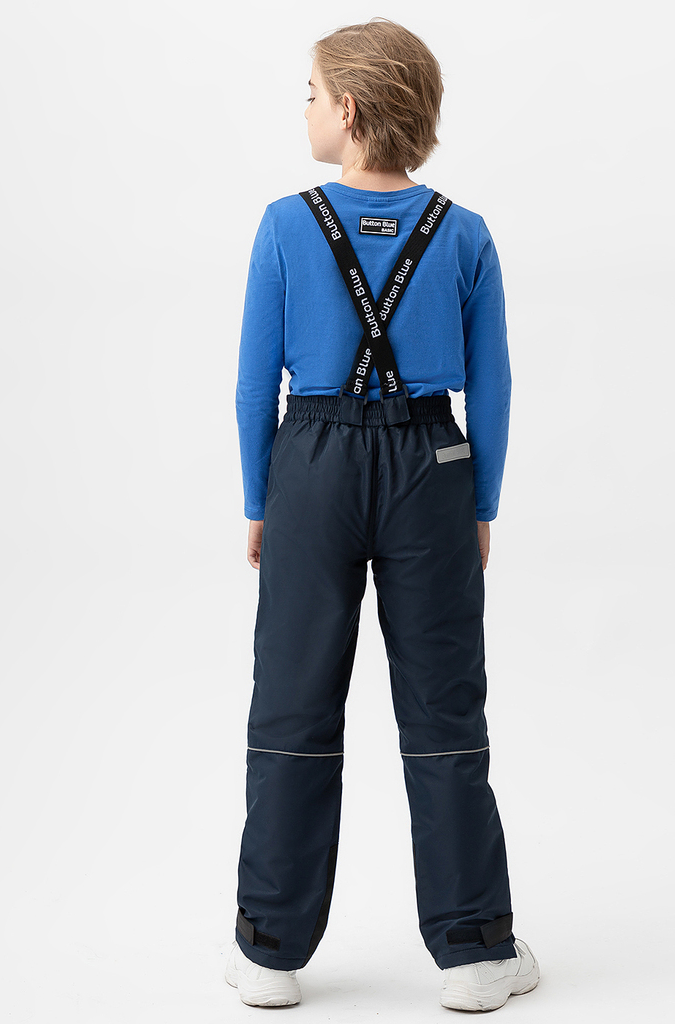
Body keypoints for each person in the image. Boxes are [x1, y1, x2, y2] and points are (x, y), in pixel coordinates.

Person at [225, 17, 540, 1012]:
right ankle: (475, 953)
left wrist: (259, 499)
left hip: (309, 466)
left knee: (291, 702)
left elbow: (253, 386)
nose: (305, 110)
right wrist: (479, 503)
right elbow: (491, 387)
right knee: (444, 707)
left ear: (349, 109)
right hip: (430, 464)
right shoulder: (465, 231)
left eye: (312, 95)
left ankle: (268, 950)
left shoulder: (284, 225)